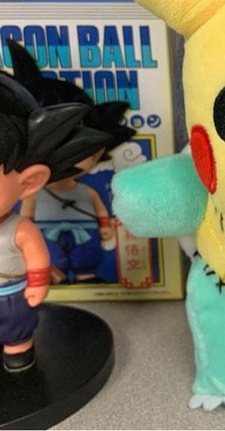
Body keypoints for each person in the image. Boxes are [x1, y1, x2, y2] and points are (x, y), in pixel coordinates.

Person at [0, 71, 108, 372]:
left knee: (16, 327)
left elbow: (36, 256)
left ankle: (18, 349)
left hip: (11, 296)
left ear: (29, 181)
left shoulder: (19, 229)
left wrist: (38, 282)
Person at [7, 40, 135, 284]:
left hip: (85, 231)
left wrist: (104, 224)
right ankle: (55, 277)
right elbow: (27, 217)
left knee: (85, 256)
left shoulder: (86, 191)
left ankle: (85, 275)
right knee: (50, 257)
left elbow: (99, 208)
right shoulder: (33, 193)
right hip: (47, 233)